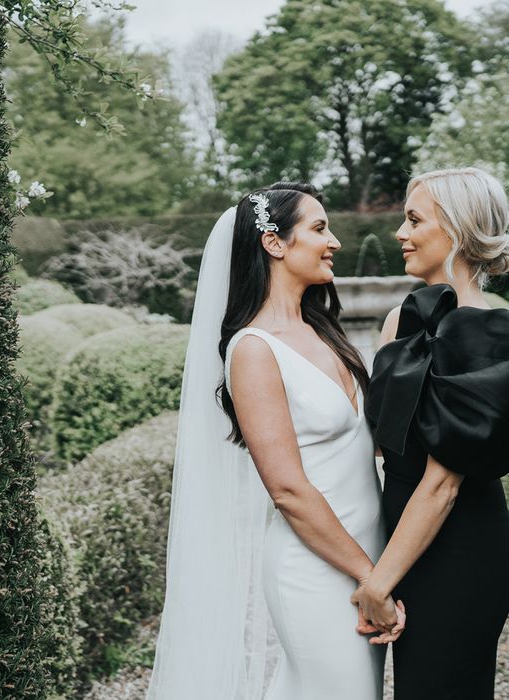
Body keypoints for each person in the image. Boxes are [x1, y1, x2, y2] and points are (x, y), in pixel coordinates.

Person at [147, 182, 403, 700]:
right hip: (318, 567)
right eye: (318, 228)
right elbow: (287, 489)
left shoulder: (323, 330)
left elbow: (366, 443)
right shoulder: (253, 350)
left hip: (368, 558)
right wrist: (369, 578)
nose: (333, 241)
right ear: (274, 244)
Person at [357, 166, 509, 699]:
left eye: (414, 219)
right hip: (404, 536)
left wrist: (378, 584)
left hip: (459, 546)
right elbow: (383, 442)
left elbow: (443, 484)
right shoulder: (401, 320)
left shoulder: (487, 330)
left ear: (459, 230)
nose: (400, 231)